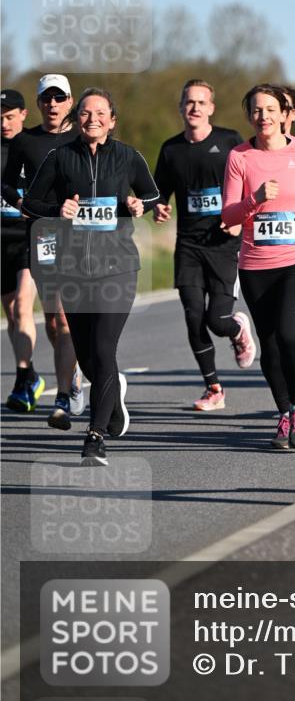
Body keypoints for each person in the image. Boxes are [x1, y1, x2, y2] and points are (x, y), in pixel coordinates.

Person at [22, 87, 161, 465]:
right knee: (87, 359)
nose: (92, 118)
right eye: (84, 113)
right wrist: (57, 207)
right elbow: (31, 203)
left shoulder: (128, 157)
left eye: (100, 113)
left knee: (102, 349)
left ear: (112, 120)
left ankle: (95, 437)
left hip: (117, 268)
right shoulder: (60, 157)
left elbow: (152, 196)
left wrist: (137, 205)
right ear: (76, 119)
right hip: (72, 270)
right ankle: (111, 400)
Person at [222, 84, 295, 450]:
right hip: (255, 264)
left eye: (271, 109)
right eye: (256, 110)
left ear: (285, 113)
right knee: (269, 343)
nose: (264, 116)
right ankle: (283, 412)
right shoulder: (239, 157)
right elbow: (228, 214)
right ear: (249, 116)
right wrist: (253, 200)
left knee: (289, 331)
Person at [153, 79, 255, 411]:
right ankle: (213, 388)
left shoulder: (230, 142)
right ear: (181, 107)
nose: (194, 108)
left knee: (216, 320)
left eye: (201, 102)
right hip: (189, 245)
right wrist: (158, 206)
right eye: (189, 102)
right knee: (193, 316)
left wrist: (241, 216)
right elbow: (159, 190)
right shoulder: (171, 149)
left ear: (211, 108)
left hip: (225, 243)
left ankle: (237, 328)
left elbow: (252, 183)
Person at [2, 75, 83, 425]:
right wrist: (20, 201)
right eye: (46, 99)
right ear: (38, 104)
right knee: (52, 319)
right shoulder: (26, 141)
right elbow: (7, 183)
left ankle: (64, 395)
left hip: (77, 238)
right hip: (41, 236)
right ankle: (69, 374)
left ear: (69, 101)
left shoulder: (82, 138)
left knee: (62, 316)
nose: (52, 104)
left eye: (59, 98)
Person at [1, 89, 45, 407]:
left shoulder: (33, 145)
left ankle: (21, 382)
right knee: (12, 317)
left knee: (21, 307)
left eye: (9, 116)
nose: (4, 123)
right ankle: (31, 375)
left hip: (29, 236)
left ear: (23, 115)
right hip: (1, 239)